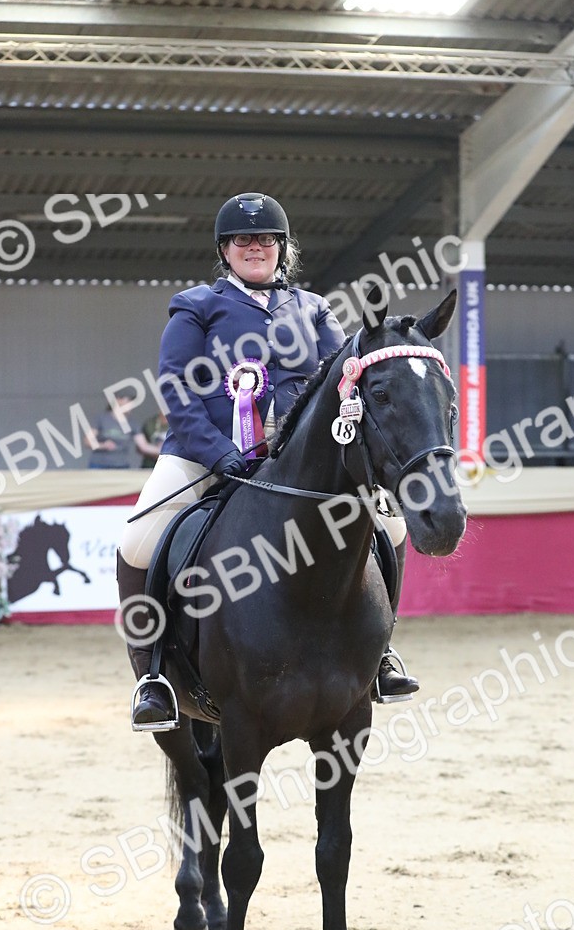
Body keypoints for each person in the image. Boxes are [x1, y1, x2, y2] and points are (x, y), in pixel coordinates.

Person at [116, 191, 418, 729]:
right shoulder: (196, 306)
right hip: (206, 453)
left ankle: (380, 654)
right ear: (225, 250)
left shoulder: (313, 309)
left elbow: (342, 378)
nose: (254, 247)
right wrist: (219, 454)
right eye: (242, 240)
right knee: (138, 541)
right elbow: (177, 391)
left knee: (391, 527)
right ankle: (153, 675)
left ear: (282, 247)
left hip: (298, 460)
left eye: (265, 239)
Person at [85, 390, 138, 469]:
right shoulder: (101, 419)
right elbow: (88, 441)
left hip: (122, 466)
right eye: (128, 401)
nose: (131, 404)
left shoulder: (132, 423)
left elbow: (143, 445)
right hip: (99, 465)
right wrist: (103, 445)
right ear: (118, 400)